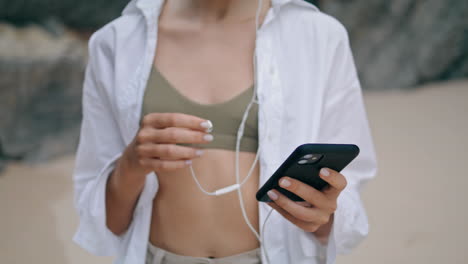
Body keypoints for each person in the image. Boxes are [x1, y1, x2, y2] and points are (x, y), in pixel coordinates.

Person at [72, 0, 377, 263]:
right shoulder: (116, 42)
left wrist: (323, 216)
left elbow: (342, 208)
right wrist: (131, 164)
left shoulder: (319, 37)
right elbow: (108, 222)